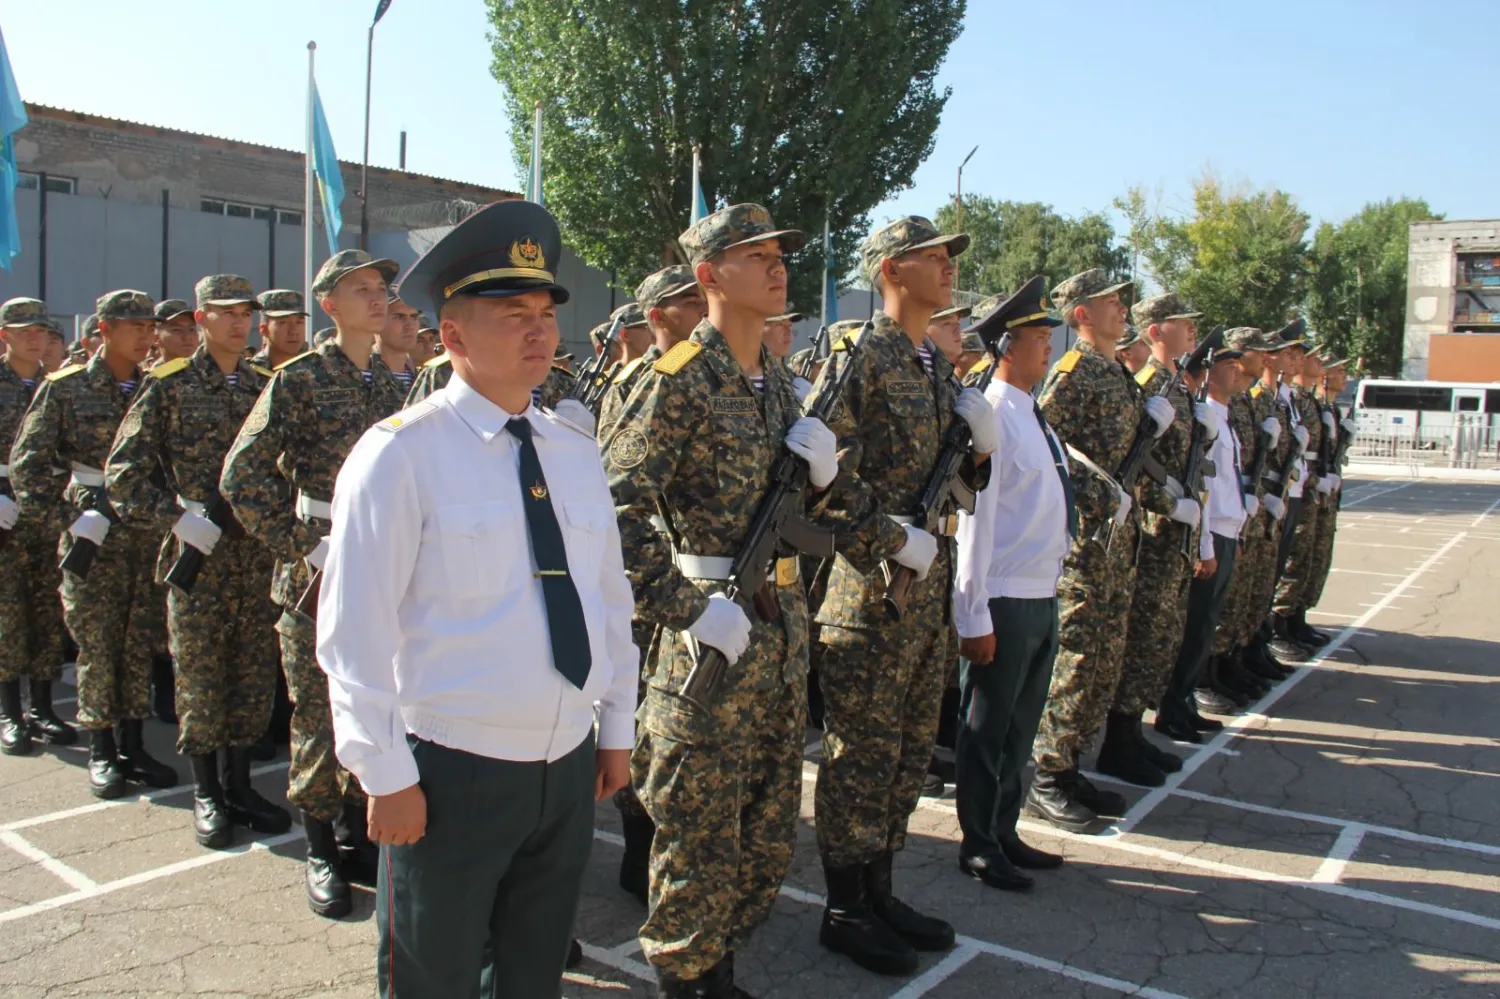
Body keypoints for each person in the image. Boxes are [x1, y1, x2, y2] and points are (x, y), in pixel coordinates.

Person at [315, 199, 636, 999]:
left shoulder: (573, 449)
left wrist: (617, 726)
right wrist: (383, 770)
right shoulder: (399, 456)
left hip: (564, 764)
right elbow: (354, 630)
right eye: (510, 314)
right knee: (434, 975)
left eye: (543, 312)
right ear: (452, 336)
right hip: (450, 772)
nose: (539, 331)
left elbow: (607, 599)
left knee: (533, 974)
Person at [602, 203, 839, 995]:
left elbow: (797, 522)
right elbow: (611, 512)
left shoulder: (776, 388)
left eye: (780, 252)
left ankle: (720, 970)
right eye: (757, 255)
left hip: (776, 633)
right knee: (698, 833)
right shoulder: (678, 383)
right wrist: (687, 603)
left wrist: (824, 479)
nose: (778, 266)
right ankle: (689, 979)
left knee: (766, 834)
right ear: (708, 276)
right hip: (710, 632)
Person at [805, 215, 987, 977]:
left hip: (927, 590)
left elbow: (960, 486)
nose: (947, 266)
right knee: (860, 755)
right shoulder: (861, 355)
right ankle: (845, 906)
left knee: (909, 750)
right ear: (890, 269)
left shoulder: (932, 365)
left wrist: (980, 449)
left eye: (948, 256)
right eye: (932, 255)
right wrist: (887, 537)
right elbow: (813, 471)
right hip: (872, 592)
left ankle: (881, 889)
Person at [220, 249, 409, 918]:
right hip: (320, 569)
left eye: (382, 287)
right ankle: (322, 848)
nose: (378, 297)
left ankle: (361, 836)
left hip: (384, 567)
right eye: (361, 289)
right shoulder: (298, 379)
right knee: (318, 711)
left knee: (376, 702)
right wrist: (307, 544)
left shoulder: (397, 383)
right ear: (328, 305)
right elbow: (242, 475)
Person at [105, 275, 290, 848]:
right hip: (199, 554)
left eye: (246, 313)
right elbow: (123, 473)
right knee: (202, 677)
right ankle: (207, 793)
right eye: (226, 312)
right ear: (201, 318)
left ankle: (240, 785)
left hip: (254, 552)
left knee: (253, 676)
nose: (240, 323)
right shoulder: (169, 384)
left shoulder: (268, 384)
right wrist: (178, 518)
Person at [1025, 268, 1176, 833]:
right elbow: (1047, 448)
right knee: (1078, 658)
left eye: (1121, 301)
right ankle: (1045, 774)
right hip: (1086, 542)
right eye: (1110, 302)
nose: (1121, 309)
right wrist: (1100, 493)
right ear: (1082, 314)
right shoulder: (1072, 373)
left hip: (1120, 542)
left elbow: (1128, 465)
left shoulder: (1116, 372)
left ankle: (1071, 765)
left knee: (1106, 658)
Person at [10, 291, 176, 797]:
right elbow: (27, 465)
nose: (147, 335)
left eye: (150, 326)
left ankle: (133, 744)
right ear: (103, 330)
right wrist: (70, 519)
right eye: (134, 326)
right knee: (98, 644)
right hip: (93, 526)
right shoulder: (66, 387)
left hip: (142, 530)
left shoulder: (158, 386)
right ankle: (102, 750)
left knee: (140, 642)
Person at [952, 276, 1072, 892]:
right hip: (1002, 596)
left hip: (1041, 591)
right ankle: (977, 842)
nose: (1047, 345)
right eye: (1036, 336)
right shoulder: (992, 413)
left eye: (1049, 334)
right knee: (986, 729)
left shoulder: (1031, 411)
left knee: (1020, 726)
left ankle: (1005, 828)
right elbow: (976, 519)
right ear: (1006, 345)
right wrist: (974, 614)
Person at [1102, 293, 1208, 787]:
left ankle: (1133, 731)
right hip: (1150, 534)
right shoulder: (1149, 385)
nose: (1192, 332)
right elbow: (1135, 466)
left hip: (1173, 539)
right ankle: (1119, 739)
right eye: (1184, 324)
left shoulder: (1176, 388)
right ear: (1158, 331)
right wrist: (1171, 506)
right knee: (1140, 636)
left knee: (1159, 637)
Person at [1156, 329, 1254, 739]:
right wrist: (1206, 545)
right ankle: (1173, 705)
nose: (1238, 373)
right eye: (1228, 367)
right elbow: (1202, 485)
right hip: (1208, 533)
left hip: (1226, 530)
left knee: (1204, 628)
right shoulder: (1204, 414)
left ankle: (1183, 703)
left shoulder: (1219, 417)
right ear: (1207, 374)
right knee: (1193, 628)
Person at [0, 299, 76, 755]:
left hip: (48, 508)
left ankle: (43, 707)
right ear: (4, 335)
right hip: (5, 511)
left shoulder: (57, 386)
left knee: (48, 611)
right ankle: (10, 711)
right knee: (8, 614)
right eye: (25, 330)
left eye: (41, 331)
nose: (36, 337)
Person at [1273, 342, 1333, 651]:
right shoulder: (1288, 397)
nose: (1318, 363)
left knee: (1303, 557)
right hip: (1290, 487)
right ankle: (1279, 626)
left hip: (1301, 486)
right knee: (1288, 561)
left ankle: (1293, 619)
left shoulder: (1300, 400)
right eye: (1294, 355)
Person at [253, 290, 310, 370]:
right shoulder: (250, 373)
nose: (293, 331)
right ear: (264, 329)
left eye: (299, 322)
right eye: (283, 322)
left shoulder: (316, 372)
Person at [379, 293, 423, 392]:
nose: (410, 326)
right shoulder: (359, 375)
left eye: (414, 317)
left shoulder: (424, 378)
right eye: (399, 317)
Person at [154, 300, 200, 365]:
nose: (187, 337)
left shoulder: (211, 372)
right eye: (177, 330)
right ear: (156, 337)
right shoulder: (152, 374)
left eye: (191, 329)